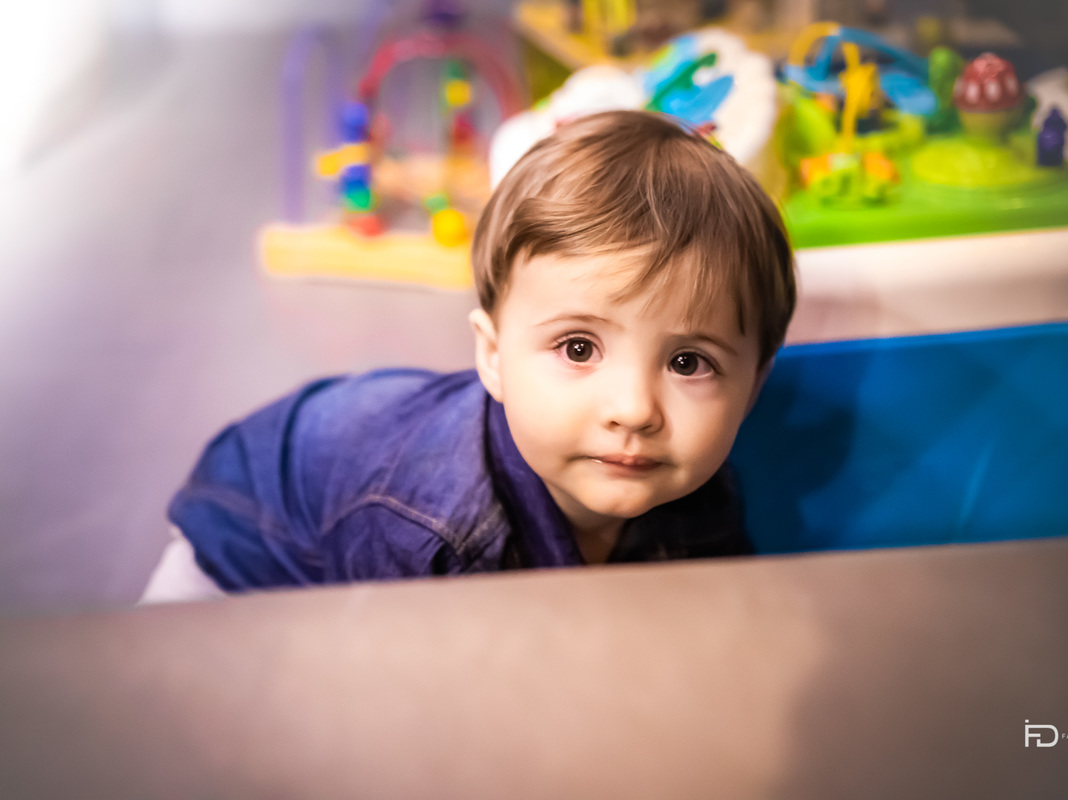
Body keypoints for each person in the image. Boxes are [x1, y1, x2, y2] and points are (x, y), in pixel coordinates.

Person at [142, 110, 795, 601]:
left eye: (688, 363)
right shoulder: (425, 537)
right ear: (493, 356)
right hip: (240, 562)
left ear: (753, 385)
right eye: (578, 347)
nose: (634, 409)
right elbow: (390, 703)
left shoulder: (700, 490)